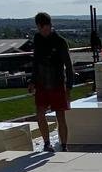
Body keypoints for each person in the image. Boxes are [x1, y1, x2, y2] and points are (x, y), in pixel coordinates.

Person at [29, 11, 74, 154]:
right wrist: (32, 81)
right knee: (40, 113)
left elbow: (69, 65)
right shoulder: (37, 39)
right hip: (41, 82)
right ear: (38, 27)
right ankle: (46, 143)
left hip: (57, 82)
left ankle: (64, 145)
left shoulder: (60, 41)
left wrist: (69, 87)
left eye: (46, 27)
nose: (44, 31)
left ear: (50, 25)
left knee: (60, 115)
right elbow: (35, 62)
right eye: (41, 28)